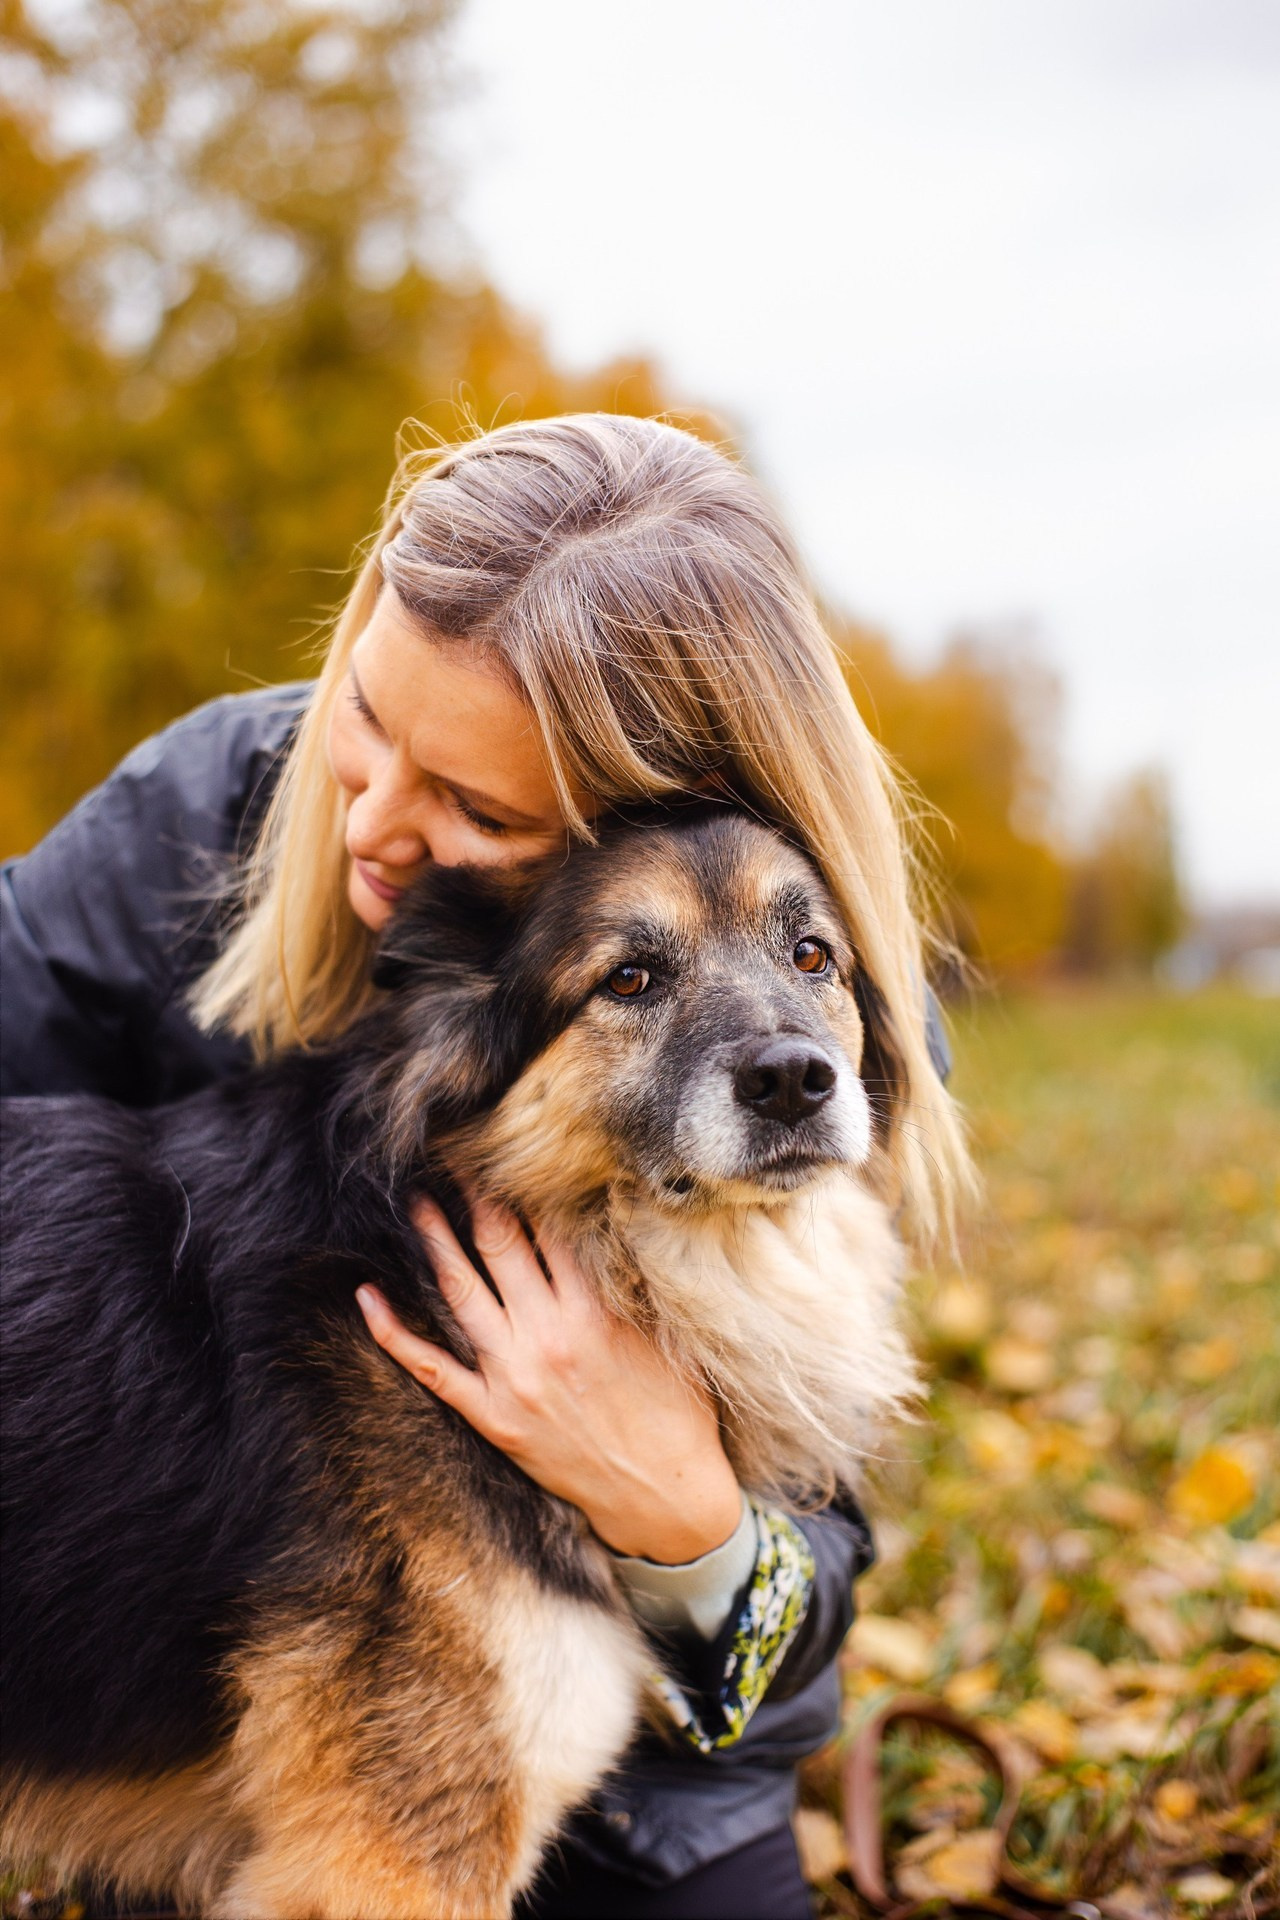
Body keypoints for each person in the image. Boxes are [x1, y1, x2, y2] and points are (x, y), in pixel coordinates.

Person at [1, 413, 967, 1919]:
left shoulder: (818, 1020)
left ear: (634, 806)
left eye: (480, 807)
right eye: (368, 716)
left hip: (661, 1771)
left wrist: (684, 1516)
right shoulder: (211, 810)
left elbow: (790, 1659)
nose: (372, 818)